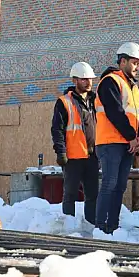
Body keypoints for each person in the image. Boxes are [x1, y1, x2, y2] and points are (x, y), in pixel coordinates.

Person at [95, 42, 139, 234]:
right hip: (110, 143)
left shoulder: (133, 87)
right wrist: (131, 137)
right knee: (109, 183)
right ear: (122, 61)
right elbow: (115, 112)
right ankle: (100, 227)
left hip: (127, 143)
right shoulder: (110, 81)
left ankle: (112, 225)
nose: (138, 68)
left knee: (119, 186)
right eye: (135, 63)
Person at [51, 62, 99, 223]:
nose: (88, 82)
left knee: (92, 194)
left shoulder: (96, 102)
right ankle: (69, 226)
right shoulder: (64, 102)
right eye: (84, 79)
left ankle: (92, 225)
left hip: (93, 156)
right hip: (73, 156)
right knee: (70, 193)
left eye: (90, 79)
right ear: (74, 80)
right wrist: (61, 152)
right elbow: (57, 129)